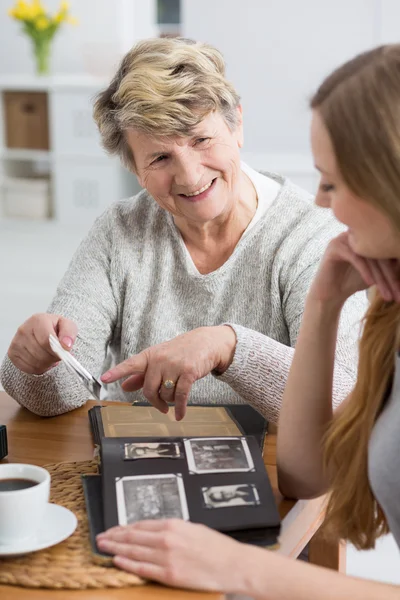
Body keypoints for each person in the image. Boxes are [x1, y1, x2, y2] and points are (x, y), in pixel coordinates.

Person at [96, 45, 400, 599]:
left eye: (333, 181)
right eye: (321, 180)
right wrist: (324, 301)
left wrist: (238, 570)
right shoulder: (384, 301)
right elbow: (309, 477)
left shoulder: (303, 232)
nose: (322, 205)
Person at [0, 37, 364, 421]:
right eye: (160, 157)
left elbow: (344, 404)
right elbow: (62, 396)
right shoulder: (118, 232)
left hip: (273, 469)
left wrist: (229, 347)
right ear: (134, 170)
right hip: (138, 458)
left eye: (201, 139)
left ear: (236, 124)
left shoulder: (311, 236)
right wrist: (35, 365)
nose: (190, 176)